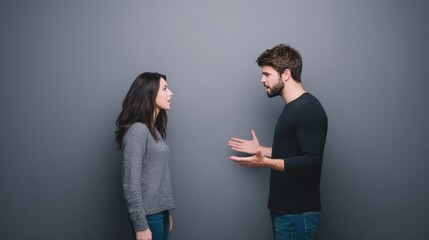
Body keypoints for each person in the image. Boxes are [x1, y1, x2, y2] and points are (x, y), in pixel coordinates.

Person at [228, 44, 328, 240]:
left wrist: (265, 163)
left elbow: (311, 161)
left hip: (297, 214)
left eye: (267, 74)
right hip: (285, 212)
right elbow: (293, 152)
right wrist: (261, 150)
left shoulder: (308, 109)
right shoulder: (293, 107)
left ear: (286, 74)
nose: (262, 80)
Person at [115, 72, 175, 240]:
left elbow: (156, 176)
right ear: (149, 93)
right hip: (148, 216)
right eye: (165, 89)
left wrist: (166, 211)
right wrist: (140, 224)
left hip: (159, 213)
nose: (170, 93)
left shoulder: (152, 130)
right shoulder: (138, 130)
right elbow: (130, 182)